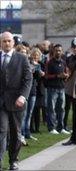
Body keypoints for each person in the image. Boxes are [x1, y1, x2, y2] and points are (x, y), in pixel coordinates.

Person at [0, 31, 33, 170]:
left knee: (15, 132)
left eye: (9, 41)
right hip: (1, 102)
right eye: (4, 41)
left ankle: (13, 160)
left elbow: (28, 79)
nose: (7, 43)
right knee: (1, 130)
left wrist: (23, 96)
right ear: (0, 43)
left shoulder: (22, 58)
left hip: (16, 101)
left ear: (13, 42)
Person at [45, 44, 70, 134]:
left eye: (60, 50)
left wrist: (66, 76)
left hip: (61, 88)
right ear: (53, 51)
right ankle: (52, 128)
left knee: (61, 109)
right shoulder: (49, 62)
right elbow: (46, 76)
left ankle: (61, 127)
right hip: (52, 89)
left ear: (62, 51)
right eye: (56, 50)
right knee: (51, 109)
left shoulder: (63, 62)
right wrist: (57, 76)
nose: (58, 52)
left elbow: (66, 72)